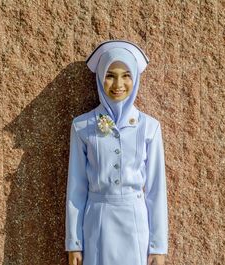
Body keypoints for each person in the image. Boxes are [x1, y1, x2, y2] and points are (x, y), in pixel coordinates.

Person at [65, 40, 168, 265]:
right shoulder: (82, 126)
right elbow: (76, 187)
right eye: (110, 75)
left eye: (126, 75)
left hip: (135, 223)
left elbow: (156, 189)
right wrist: (74, 242)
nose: (118, 84)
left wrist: (158, 246)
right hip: (97, 222)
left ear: (135, 79)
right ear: (100, 77)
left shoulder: (149, 127)